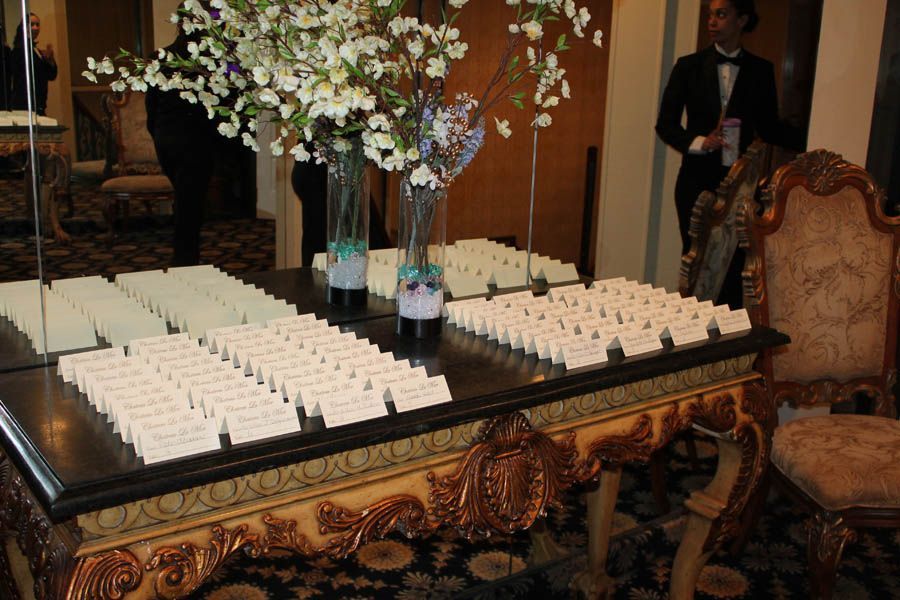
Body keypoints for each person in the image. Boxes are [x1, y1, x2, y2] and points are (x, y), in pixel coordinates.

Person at [655, 0, 802, 308]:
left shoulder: (761, 70)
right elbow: (665, 124)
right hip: (695, 181)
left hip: (740, 185)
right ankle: (691, 330)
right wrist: (699, 142)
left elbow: (770, 128)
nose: (712, 21)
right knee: (696, 258)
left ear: (742, 20)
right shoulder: (688, 66)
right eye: (710, 14)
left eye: (721, 14)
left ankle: (726, 338)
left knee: (735, 262)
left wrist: (815, 134)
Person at [146, 29, 218, 267]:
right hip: (196, 140)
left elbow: (151, 105)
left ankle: (185, 257)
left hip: (165, 138)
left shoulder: (159, 57)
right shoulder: (209, 60)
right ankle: (185, 261)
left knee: (185, 199)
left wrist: (157, 132)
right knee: (190, 204)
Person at [10, 13, 57, 115]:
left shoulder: (37, 51)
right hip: (25, 105)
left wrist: (50, 61)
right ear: (24, 27)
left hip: (39, 104)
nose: (35, 27)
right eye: (31, 24)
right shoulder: (20, 50)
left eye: (37, 24)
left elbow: (51, 75)